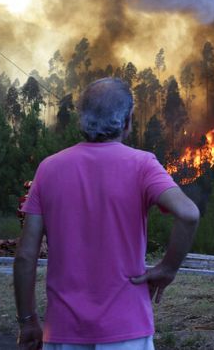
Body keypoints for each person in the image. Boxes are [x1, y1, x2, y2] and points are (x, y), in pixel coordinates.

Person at [14, 78, 200, 350]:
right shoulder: (143, 165)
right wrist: (167, 268)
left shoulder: (49, 169)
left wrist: (28, 320)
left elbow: (25, 256)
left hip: (64, 331)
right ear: (127, 121)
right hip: (127, 331)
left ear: (82, 120)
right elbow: (189, 214)